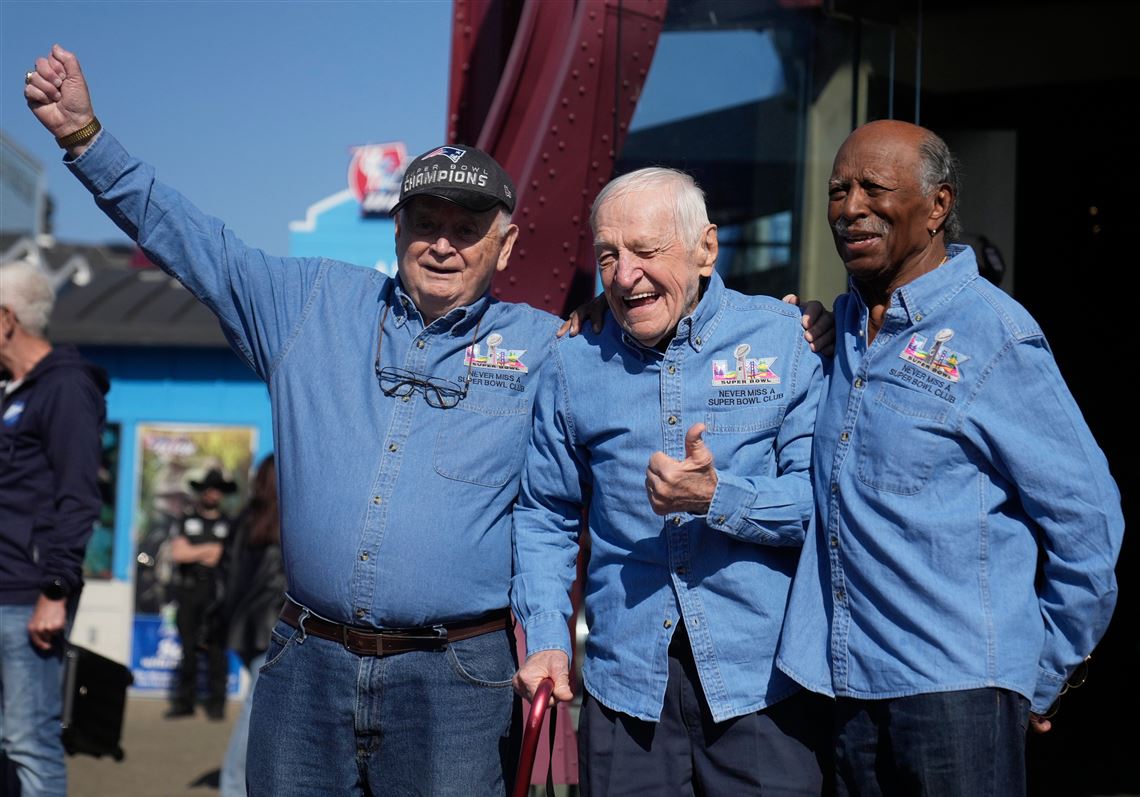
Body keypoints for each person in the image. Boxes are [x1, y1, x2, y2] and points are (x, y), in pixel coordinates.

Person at [24, 44, 560, 796]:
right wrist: (85, 140)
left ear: (504, 243)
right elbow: (190, 240)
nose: (442, 242)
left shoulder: (547, 347)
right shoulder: (310, 303)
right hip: (307, 663)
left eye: (466, 226)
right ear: (396, 228)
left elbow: (558, 503)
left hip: (457, 682)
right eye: (424, 220)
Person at [775, 120, 1125, 795]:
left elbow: (1091, 524)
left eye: (875, 188)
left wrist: (1039, 671)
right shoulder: (837, 327)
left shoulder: (996, 335)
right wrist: (594, 310)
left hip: (956, 698)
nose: (850, 207)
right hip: (845, 689)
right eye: (837, 190)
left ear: (938, 206)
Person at [512, 168, 828, 794]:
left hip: (763, 688)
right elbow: (545, 515)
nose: (625, 276)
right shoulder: (574, 360)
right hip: (625, 693)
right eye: (608, 256)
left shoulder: (786, 340)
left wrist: (718, 499)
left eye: (646, 252)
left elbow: (821, 505)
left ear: (706, 249)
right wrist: (547, 638)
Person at [0, 261, 108, 796]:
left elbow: (78, 497)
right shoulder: (13, 391)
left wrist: (55, 590)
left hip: (28, 600)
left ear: (6, 320)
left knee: (27, 742)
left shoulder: (65, 388)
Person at [217, 455, 285, 797]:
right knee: (254, 713)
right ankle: (233, 787)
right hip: (271, 631)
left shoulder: (246, 520)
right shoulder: (287, 522)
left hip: (245, 631)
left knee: (264, 713)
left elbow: (225, 579)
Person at [166, 467, 236, 720]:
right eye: (208, 488)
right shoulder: (186, 519)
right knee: (188, 648)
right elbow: (178, 554)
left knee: (217, 649)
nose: (212, 494)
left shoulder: (229, 523)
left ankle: (216, 705)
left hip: (217, 592)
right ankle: (184, 703)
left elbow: (224, 556)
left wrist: (198, 551)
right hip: (189, 589)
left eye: (217, 489)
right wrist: (209, 550)